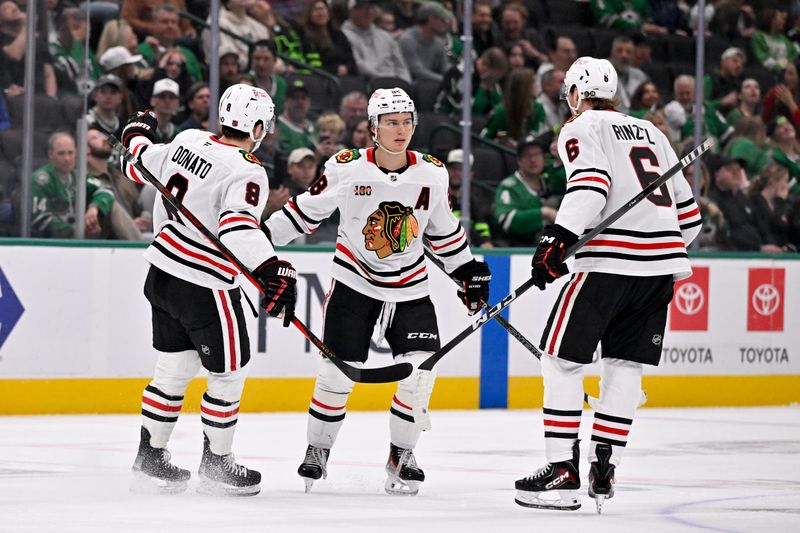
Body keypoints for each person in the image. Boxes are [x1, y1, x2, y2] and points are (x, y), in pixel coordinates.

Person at [263, 87, 492, 496]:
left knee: (420, 372)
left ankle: (401, 455)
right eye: (390, 122)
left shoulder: (432, 173)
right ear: (373, 128)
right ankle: (318, 449)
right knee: (335, 375)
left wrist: (469, 271)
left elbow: (443, 230)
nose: (400, 129)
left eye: (406, 121)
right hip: (354, 285)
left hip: (411, 288)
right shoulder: (346, 168)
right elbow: (302, 213)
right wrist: (258, 245)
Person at [516, 57, 702, 513]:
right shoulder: (654, 133)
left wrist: (555, 241)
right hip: (661, 270)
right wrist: (653, 241)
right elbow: (690, 219)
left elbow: (591, 186)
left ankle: (562, 470)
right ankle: (605, 464)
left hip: (607, 268)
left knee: (560, 362)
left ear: (576, 93)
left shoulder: (581, 127)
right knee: (625, 365)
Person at [120, 83, 298, 496]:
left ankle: (150, 457)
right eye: (262, 125)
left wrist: (134, 133)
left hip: (161, 274)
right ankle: (217, 464)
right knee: (228, 373)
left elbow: (139, 164)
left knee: (174, 369)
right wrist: (274, 268)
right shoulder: (247, 169)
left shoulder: (188, 140)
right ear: (254, 125)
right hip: (205, 285)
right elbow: (236, 228)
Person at [32, 131, 115, 239]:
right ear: (50, 154)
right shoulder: (41, 179)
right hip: (51, 243)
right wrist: (74, 229)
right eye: (61, 153)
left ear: (76, 152)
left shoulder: (78, 175)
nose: (67, 158)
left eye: (70, 153)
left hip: (80, 236)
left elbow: (106, 191)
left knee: (112, 207)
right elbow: (39, 219)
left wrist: (94, 207)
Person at [493, 134, 562, 247]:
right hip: (519, 248)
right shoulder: (509, 186)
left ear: (544, 158)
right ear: (519, 160)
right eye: (527, 155)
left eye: (537, 154)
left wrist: (559, 161)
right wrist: (543, 213)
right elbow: (507, 221)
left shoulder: (548, 181)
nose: (533, 160)